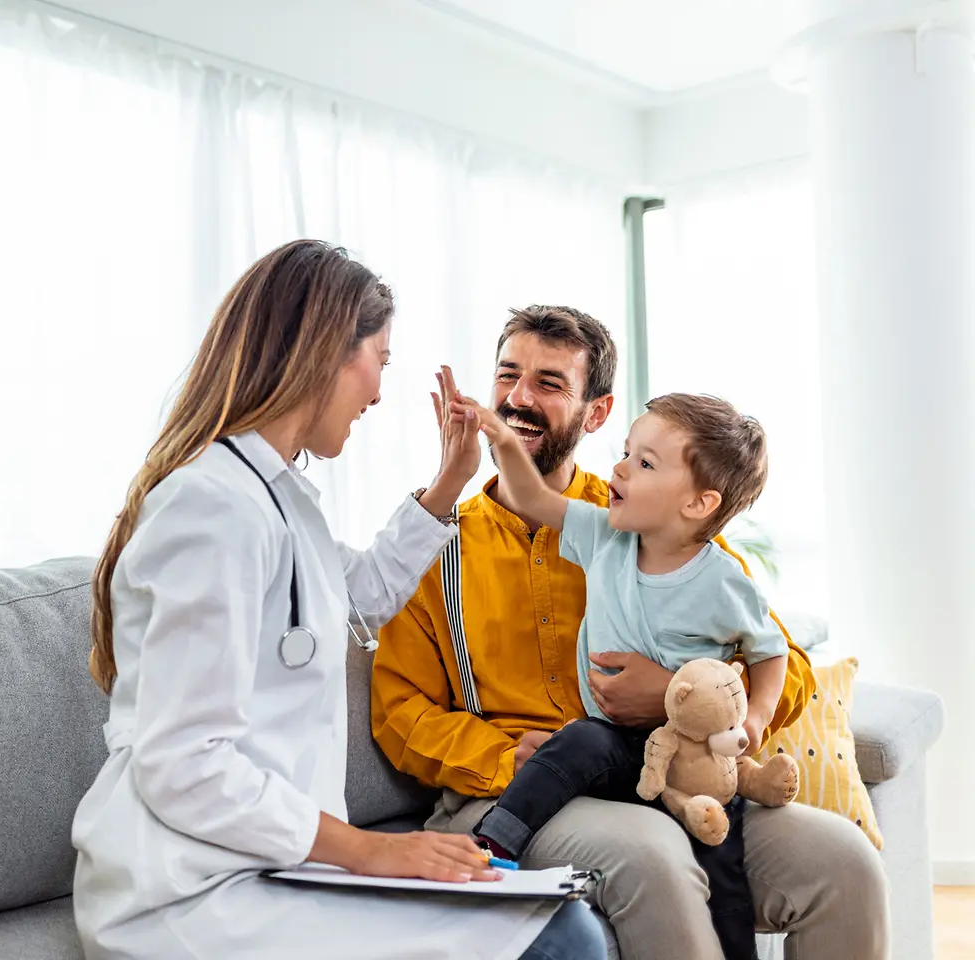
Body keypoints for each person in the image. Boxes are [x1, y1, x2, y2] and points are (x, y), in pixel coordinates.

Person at [70, 242, 605, 960]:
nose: (379, 392)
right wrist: (369, 851)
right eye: (379, 359)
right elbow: (182, 763)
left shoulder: (273, 495)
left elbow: (358, 595)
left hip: (268, 867)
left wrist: (448, 483)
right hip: (192, 891)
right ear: (326, 352)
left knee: (552, 919)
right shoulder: (212, 506)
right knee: (558, 939)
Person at [371, 305, 889, 960]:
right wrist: (508, 761)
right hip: (515, 798)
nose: (520, 398)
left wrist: (677, 694)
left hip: (667, 771)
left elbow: (782, 661)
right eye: (508, 375)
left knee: (844, 863)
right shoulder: (434, 545)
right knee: (651, 855)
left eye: (550, 383)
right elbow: (399, 713)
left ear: (596, 412)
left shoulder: (649, 522)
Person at [452, 389, 801, 959]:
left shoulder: (723, 582)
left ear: (697, 504)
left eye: (644, 463)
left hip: (696, 763)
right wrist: (503, 440)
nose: (617, 468)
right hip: (618, 744)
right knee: (575, 742)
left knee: (722, 870)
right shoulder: (604, 537)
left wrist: (756, 717)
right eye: (626, 452)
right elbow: (529, 493)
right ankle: (496, 841)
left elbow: (771, 652)